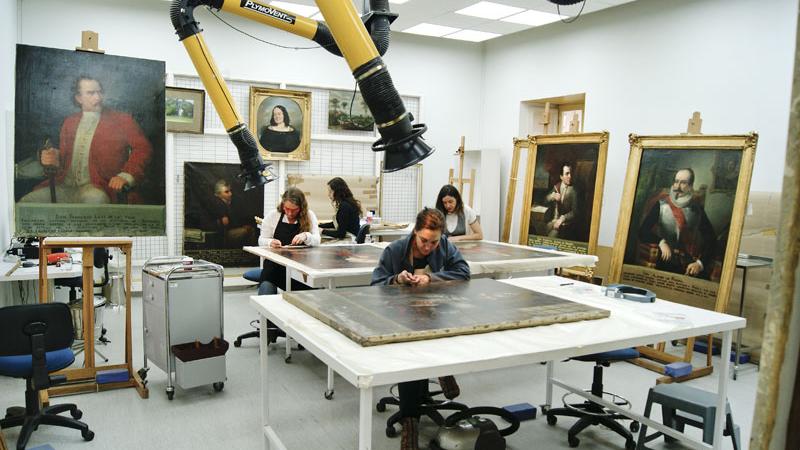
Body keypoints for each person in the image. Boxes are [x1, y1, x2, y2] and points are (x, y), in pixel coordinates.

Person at [371, 208, 470, 450]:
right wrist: (397, 280)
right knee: (410, 354)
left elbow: (463, 272)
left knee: (433, 334)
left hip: (436, 315)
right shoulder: (394, 250)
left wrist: (432, 278)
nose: (428, 247)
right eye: (424, 240)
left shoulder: (444, 246)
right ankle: (410, 422)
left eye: (433, 242)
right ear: (415, 232)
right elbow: (375, 283)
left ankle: (441, 369)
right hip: (401, 319)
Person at [20, 75, 153, 204]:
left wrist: (125, 176)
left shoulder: (122, 120)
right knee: (27, 202)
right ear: (79, 98)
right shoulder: (69, 122)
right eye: (91, 93)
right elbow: (64, 162)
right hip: (64, 186)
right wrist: (53, 158)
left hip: (99, 188)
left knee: (94, 201)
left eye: (100, 92)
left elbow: (144, 148)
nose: (98, 97)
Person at [638, 168, 716, 278]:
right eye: (676, 181)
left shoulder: (697, 210)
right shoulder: (661, 205)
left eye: (683, 183)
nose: (677, 186)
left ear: (690, 186)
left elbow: (712, 240)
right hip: (665, 261)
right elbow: (642, 232)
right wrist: (661, 242)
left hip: (688, 264)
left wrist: (699, 264)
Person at [257, 187, 321, 295]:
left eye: (294, 210)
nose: (290, 213)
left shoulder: (309, 215)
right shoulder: (273, 215)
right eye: (287, 209)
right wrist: (270, 242)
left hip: (300, 268)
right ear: (282, 205)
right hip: (275, 267)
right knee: (266, 289)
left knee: (308, 297)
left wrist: (306, 236)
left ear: (301, 208)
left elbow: (317, 240)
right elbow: (261, 240)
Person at [206, 179, 256, 248]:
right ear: (218, 194)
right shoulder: (215, 204)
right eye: (226, 192)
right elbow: (208, 223)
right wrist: (220, 222)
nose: (230, 194)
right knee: (245, 231)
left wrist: (243, 225)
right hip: (220, 234)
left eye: (230, 191)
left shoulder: (230, 203)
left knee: (250, 229)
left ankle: (249, 253)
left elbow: (235, 219)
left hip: (230, 230)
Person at [544, 162, 580, 240]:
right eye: (567, 174)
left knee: (551, 237)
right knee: (543, 230)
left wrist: (562, 219)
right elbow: (545, 200)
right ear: (561, 176)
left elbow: (575, 212)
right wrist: (552, 196)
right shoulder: (557, 187)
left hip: (565, 224)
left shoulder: (574, 190)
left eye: (570, 173)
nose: (570, 176)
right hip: (554, 220)